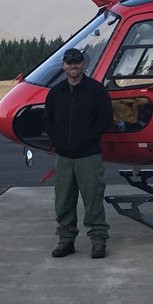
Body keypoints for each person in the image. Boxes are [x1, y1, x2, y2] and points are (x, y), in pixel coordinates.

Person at [43, 48, 113, 259]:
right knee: (63, 200)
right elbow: (48, 120)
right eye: (69, 62)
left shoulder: (96, 90)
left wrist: (88, 138)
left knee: (93, 199)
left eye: (77, 62)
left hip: (88, 156)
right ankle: (66, 240)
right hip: (64, 157)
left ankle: (98, 240)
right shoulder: (56, 93)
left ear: (83, 65)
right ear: (63, 66)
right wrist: (58, 141)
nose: (74, 66)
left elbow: (105, 120)